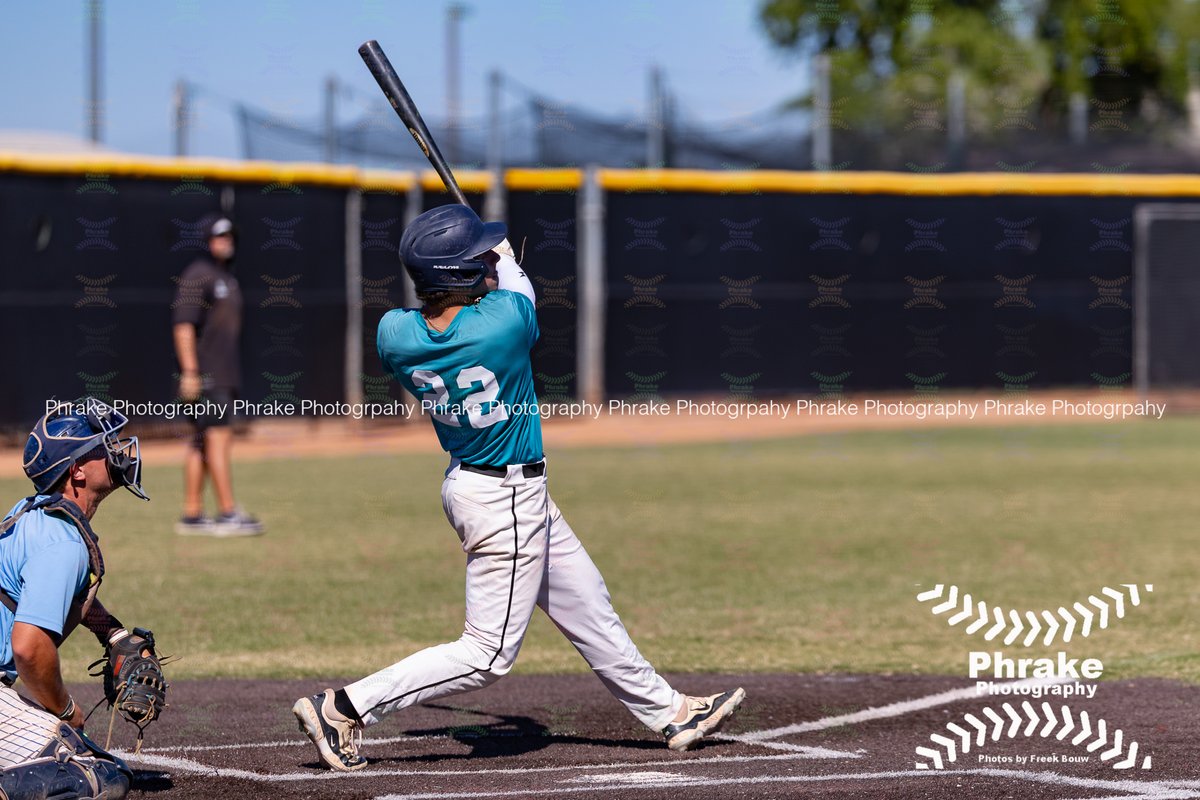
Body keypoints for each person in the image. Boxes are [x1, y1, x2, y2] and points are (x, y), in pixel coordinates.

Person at [293, 205, 744, 771]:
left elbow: (459, 303)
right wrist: (500, 259)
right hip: (504, 498)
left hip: (478, 486)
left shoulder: (394, 333)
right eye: (474, 258)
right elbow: (514, 284)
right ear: (457, 275)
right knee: (486, 656)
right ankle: (345, 707)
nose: (487, 259)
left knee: (585, 598)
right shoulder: (503, 323)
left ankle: (670, 711)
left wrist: (474, 260)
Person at [0, 398, 150, 799]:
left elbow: (47, 592)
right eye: (106, 446)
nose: (118, 451)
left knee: (91, 760)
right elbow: (29, 648)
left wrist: (111, 632)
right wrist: (66, 710)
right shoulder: (64, 542)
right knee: (90, 778)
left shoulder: (34, 513)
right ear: (77, 470)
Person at [172, 216, 263, 537]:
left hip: (222, 373)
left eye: (230, 235)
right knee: (218, 440)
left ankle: (192, 516)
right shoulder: (198, 275)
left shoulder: (225, 276)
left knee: (200, 442)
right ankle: (227, 513)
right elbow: (183, 325)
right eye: (219, 236)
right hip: (208, 375)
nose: (227, 241)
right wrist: (191, 372)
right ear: (207, 240)